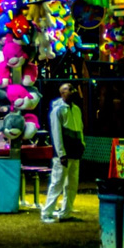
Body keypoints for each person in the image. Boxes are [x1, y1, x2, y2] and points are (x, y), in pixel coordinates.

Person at [41, 82, 84, 223]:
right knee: (57, 183)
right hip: (64, 153)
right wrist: (61, 153)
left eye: (72, 88)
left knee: (72, 184)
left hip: (75, 151)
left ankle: (66, 212)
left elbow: (80, 129)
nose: (72, 91)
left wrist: (82, 144)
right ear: (62, 93)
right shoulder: (58, 110)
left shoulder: (76, 109)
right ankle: (46, 213)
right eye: (68, 89)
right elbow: (56, 133)